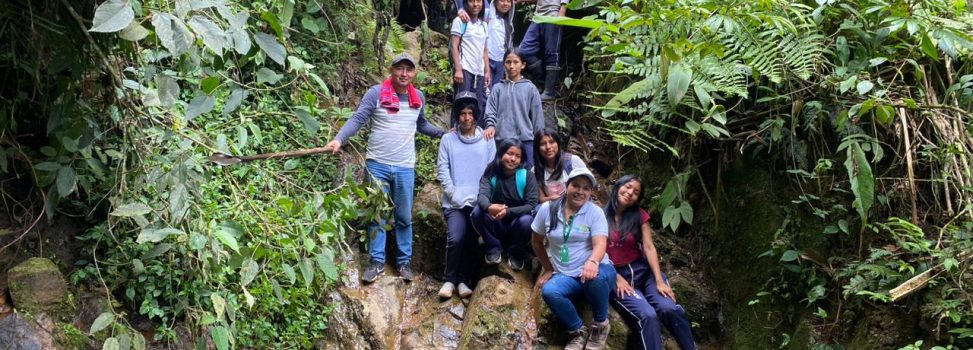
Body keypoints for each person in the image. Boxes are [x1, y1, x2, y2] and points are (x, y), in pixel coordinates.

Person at [324, 53, 445, 283]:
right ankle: (376, 261)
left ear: (414, 73)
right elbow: (358, 119)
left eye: (409, 70)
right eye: (400, 69)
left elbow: (422, 125)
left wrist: (444, 133)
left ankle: (404, 262)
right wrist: (339, 139)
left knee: (403, 216)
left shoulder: (417, 97)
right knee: (377, 214)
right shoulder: (376, 93)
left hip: (404, 167)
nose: (404, 74)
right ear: (392, 70)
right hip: (377, 164)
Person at [605, 175, 696, 350]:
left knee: (670, 308)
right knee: (648, 315)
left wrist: (660, 281)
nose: (630, 192)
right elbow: (594, 252)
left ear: (638, 198)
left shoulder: (639, 216)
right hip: (618, 276)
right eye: (628, 186)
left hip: (644, 272)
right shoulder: (599, 216)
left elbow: (649, 247)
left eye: (636, 192)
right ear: (619, 186)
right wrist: (614, 277)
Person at [532, 167, 615, 350]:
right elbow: (537, 242)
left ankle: (601, 326)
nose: (580, 192)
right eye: (576, 186)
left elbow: (600, 243)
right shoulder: (548, 209)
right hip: (567, 275)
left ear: (591, 192)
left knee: (597, 277)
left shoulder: (595, 212)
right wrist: (547, 267)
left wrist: (593, 261)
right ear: (566, 186)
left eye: (586, 188)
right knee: (550, 291)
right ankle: (578, 331)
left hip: (597, 269)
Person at [436, 92, 496, 299]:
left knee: (472, 240)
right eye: (462, 113)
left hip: (478, 201)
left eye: (470, 113)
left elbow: (491, 170)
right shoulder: (448, 139)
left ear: (476, 115)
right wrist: (452, 193)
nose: (467, 117)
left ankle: (464, 280)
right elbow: (443, 168)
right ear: (457, 116)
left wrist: (483, 197)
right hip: (454, 202)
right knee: (456, 237)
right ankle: (449, 280)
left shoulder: (487, 139)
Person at [472, 139, 538, 270]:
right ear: (501, 154)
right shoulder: (491, 173)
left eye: (517, 156)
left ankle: (516, 252)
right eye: (509, 153)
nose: (513, 159)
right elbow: (482, 195)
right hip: (496, 223)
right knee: (477, 212)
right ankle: (493, 247)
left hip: (517, 226)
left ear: (521, 159)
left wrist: (508, 212)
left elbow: (531, 204)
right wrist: (489, 207)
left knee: (528, 220)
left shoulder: (527, 176)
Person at [484, 49, 544, 167]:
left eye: (516, 62)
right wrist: (490, 126)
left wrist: (539, 142)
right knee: (502, 177)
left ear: (523, 65)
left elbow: (538, 119)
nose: (512, 66)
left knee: (526, 176)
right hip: (501, 141)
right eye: (508, 62)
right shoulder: (497, 88)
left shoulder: (530, 88)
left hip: (525, 141)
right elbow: (490, 112)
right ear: (503, 64)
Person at [456, 0, 515, 89]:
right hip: (487, 60)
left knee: (496, 91)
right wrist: (461, 11)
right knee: (485, 90)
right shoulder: (488, 15)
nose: (505, 4)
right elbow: (475, 10)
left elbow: (508, 44)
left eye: (508, 1)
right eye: (502, 0)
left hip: (501, 62)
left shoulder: (508, 23)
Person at [518, 0, 568, 100]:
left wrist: (562, 12)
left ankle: (549, 91)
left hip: (553, 15)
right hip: (538, 17)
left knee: (552, 53)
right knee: (524, 50)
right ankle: (541, 83)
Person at [450, 0, 490, 117]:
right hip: (465, 69)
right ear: (466, 3)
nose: (475, 4)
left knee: (477, 104)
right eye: (472, 1)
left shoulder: (483, 25)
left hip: (479, 71)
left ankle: (475, 132)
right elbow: (454, 46)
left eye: (478, 1)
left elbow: (484, 49)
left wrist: (487, 71)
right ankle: (455, 131)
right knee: (461, 103)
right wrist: (458, 69)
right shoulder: (460, 21)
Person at [532, 128, 587, 204]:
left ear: (558, 144)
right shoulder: (535, 170)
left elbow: (587, 189)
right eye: (543, 144)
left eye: (552, 142)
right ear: (537, 148)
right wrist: (552, 199)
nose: (548, 147)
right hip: (552, 206)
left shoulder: (573, 161)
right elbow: (542, 199)